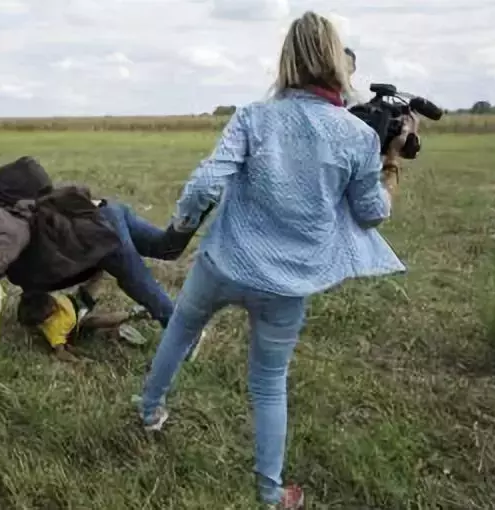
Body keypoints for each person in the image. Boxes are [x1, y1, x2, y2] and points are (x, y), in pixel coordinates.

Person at [136, 11, 416, 509]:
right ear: (336, 61)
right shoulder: (357, 136)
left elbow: (204, 184)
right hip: (287, 285)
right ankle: (270, 494)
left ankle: (149, 411)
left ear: (286, 59)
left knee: (180, 329)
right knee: (268, 384)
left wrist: (179, 230)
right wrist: (390, 158)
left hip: (222, 263)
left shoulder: (253, 116)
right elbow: (372, 215)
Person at [0, 156, 207, 340]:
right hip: (107, 212)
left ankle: (186, 334)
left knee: (136, 281)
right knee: (166, 248)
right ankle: (196, 208)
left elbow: (7, 246)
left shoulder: (12, 222)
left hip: (99, 231)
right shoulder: (37, 210)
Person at [16, 271, 151, 362]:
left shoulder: (45, 296)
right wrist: (79, 360)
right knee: (95, 320)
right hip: (80, 325)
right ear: (43, 319)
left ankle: (101, 265)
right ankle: (134, 314)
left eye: (51, 302)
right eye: (50, 310)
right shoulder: (53, 331)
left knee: (92, 280)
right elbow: (60, 352)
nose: (54, 306)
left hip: (76, 302)